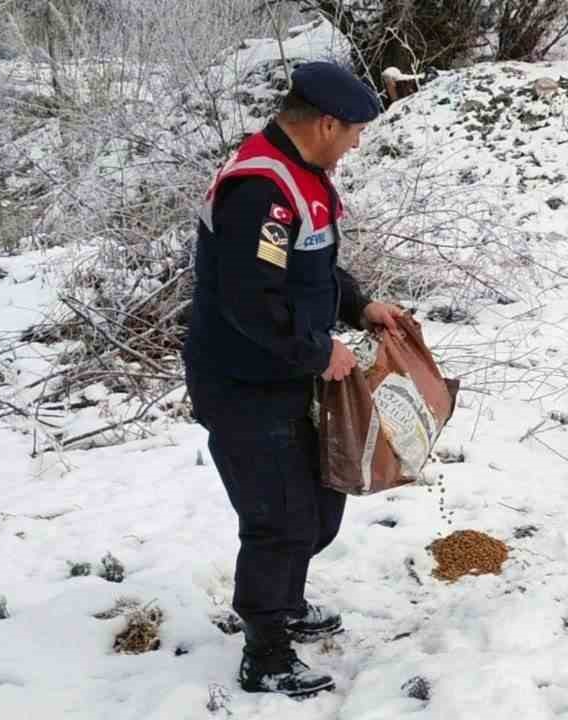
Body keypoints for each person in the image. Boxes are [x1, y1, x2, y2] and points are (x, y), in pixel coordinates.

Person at [182, 60, 408, 699]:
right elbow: (249, 301)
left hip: (288, 371)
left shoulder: (306, 177)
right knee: (279, 519)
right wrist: (318, 352)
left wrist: (358, 306)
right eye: (356, 130)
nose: (359, 142)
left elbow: (314, 269)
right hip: (244, 381)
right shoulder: (261, 190)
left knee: (320, 505)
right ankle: (266, 651)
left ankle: (285, 600)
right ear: (328, 123)